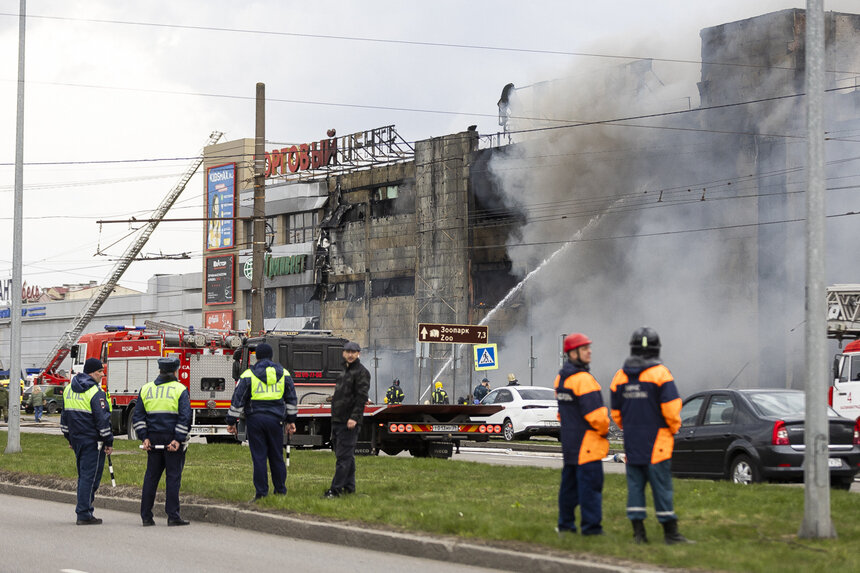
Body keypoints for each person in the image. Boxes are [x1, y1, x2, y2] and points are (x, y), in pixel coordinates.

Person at [610, 326, 691, 545]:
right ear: (656, 348)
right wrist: (671, 429)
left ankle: (639, 534)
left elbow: (616, 413)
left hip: (633, 444)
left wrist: (630, 428)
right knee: (662, 488)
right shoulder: (661, 374)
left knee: (635, 488)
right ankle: (670, 534)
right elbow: (672, 409)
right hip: (658, 445)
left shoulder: (620, 376)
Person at [554, 332, 609, 536]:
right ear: (573, 353)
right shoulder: (584, 380)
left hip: (570, 444)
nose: (589, 351)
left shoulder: (561, 378)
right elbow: (598, 417)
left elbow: (562, 413)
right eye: (585, 348)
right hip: (588, 445)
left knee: (568, 488)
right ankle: (592, 528)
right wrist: (604, 431)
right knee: (591, 488)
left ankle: (565, 525)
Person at [226, 343, 297, 502]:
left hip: (255, 420)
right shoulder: (284, 374)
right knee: (276, 456)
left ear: (256, 356)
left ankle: (261, 493)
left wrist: (231, 422)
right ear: (271, 356)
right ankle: (280, 491)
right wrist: (291, 421)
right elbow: (291, 399)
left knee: (259, 457)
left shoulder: (248, 375)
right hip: (276, 421)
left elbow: (238, 400)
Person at [133, 355, 192, 526]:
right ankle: (173, 516)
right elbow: (185, 417)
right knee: (173, 478)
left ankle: (146, 516)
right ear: (175, 371)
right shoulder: (180, 389)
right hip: (171, 438)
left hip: (153, 439)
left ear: (160, 370)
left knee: (151, 477)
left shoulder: (146, 389)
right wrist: (178, 440)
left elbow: (138, 417)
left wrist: (144, 437)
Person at [60, 358, 113, 525]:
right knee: (90, 478)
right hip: (93, 442)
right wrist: (108, 441)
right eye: (100, 373)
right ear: (92, 373)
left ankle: (85, 509)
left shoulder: (68, 389)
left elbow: (64, 418)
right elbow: (102, 420)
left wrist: (69, 438)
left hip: (77, 440)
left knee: (84, 475)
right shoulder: (95, 392)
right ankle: (84, 513)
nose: (102, 376)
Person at [324, 341, 370, 498]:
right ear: (343, 353)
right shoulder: (344, 371)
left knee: (343, 458)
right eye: (348, 352)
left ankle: (335, 490)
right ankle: (349, 488)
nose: (350, 355)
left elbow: (361, 397)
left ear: (359, 354)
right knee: (345, 456)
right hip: (338, 420)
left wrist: (354, 418)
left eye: (354, 352)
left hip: (349, 422)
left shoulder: (361, 372)